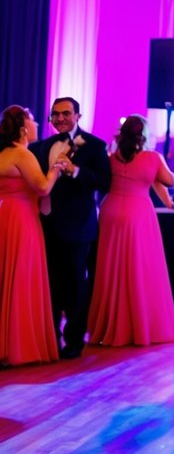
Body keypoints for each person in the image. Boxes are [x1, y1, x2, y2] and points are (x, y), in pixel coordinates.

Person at [87, 115, 174, 347]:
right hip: (138, 212)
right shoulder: (152, 157)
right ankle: (138, 324)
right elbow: (170, 181)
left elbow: (154, 183)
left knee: (111, 267)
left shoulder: (112, 157)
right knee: (139, 266)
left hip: (110, 211)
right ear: (145, 135)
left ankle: (109, 325)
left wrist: (166, 201)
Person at [32, 96, 111, 359]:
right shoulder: (40, 147)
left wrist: (76, 170)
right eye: (55, 114)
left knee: (76, 285)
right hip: (45, 225)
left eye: (66, 113)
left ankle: (74, 341)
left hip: (78, 227)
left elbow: (104, 183)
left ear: (78, 115)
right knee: (49, 284)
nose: (60, 118)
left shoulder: (95, 146)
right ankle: (49, 337)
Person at [0, 105, 66, 366]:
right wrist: (57, 167)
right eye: (34, 121)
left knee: (6, 276)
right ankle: (20, 346)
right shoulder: (21, 153)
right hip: (22, 219)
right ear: (24, 128)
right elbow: (41, 187)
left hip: (4, 215)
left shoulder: (2, 153)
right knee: (22, 277)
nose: (39, 124)